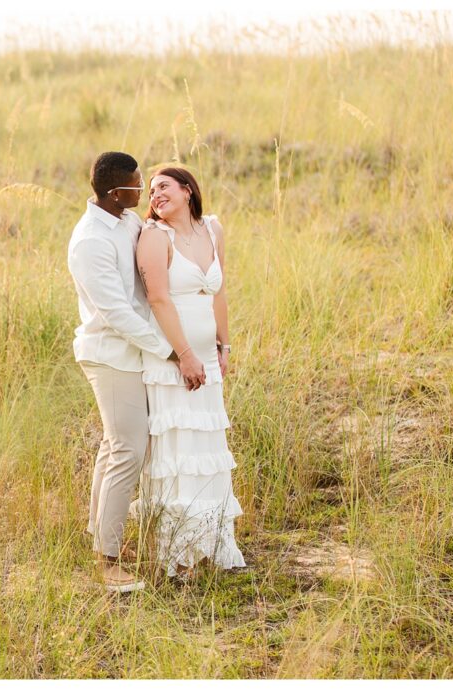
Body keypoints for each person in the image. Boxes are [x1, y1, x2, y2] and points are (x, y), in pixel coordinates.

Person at [131, 167, 247, 579]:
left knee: (207, 451)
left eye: (164, 186)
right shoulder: (154, 237)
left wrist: (223, 345)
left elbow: (218, 292)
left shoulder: (213, 229)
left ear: (187, 189)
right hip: (173, 362)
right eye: (151, 190)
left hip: (207, 358)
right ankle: (178, 556)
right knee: (179, 453)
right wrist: (184, 354)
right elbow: (159, 300)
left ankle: (211, 545)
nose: (155, 194)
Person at [67, 151, 174, 592]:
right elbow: (114, 313)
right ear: (116, 194)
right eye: (137, 183)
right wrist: (170, 351)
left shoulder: (125, 220)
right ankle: (107, 563)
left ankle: (100, 536)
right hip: (109, 354)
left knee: (116, 447)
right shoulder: (90, 240)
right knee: (130, 448)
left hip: (130, 352)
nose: (144, 186)